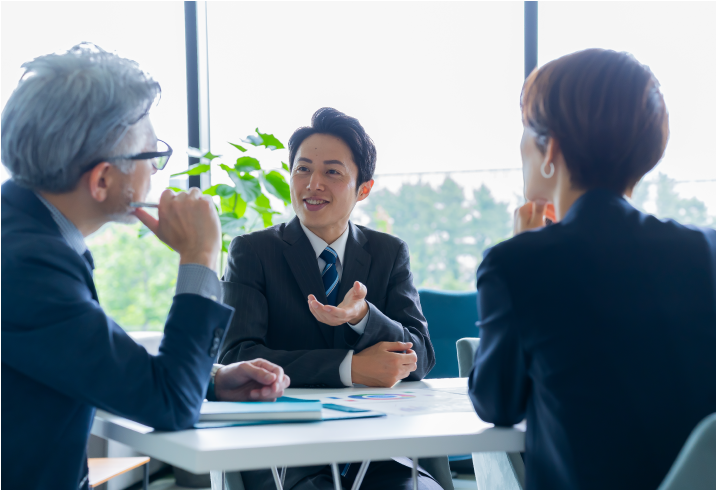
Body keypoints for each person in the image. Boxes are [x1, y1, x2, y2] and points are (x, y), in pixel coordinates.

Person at [0, 44, 289, 490]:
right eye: (150, 156)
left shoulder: (21, 234)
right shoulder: (28, 265)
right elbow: (169, 405)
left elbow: (83, 358)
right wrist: (200, 256)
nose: (156, 169)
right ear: (101, 181)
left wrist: (209, 379)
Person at [468, 48, 716, 490]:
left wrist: (521, 249)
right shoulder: (713, 251)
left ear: (549, 147)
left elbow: (497, 404)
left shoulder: (517, 262)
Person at [220, 107, 439, 489]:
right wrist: (349, 368)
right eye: (302, 169)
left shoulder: (388, 253)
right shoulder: (252, 252)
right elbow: (237, 357)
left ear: (364, 188)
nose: (312, 184)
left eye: (332, 172)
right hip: (286, 456)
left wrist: (364, 317)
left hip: (377, 454)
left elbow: (419, 355)